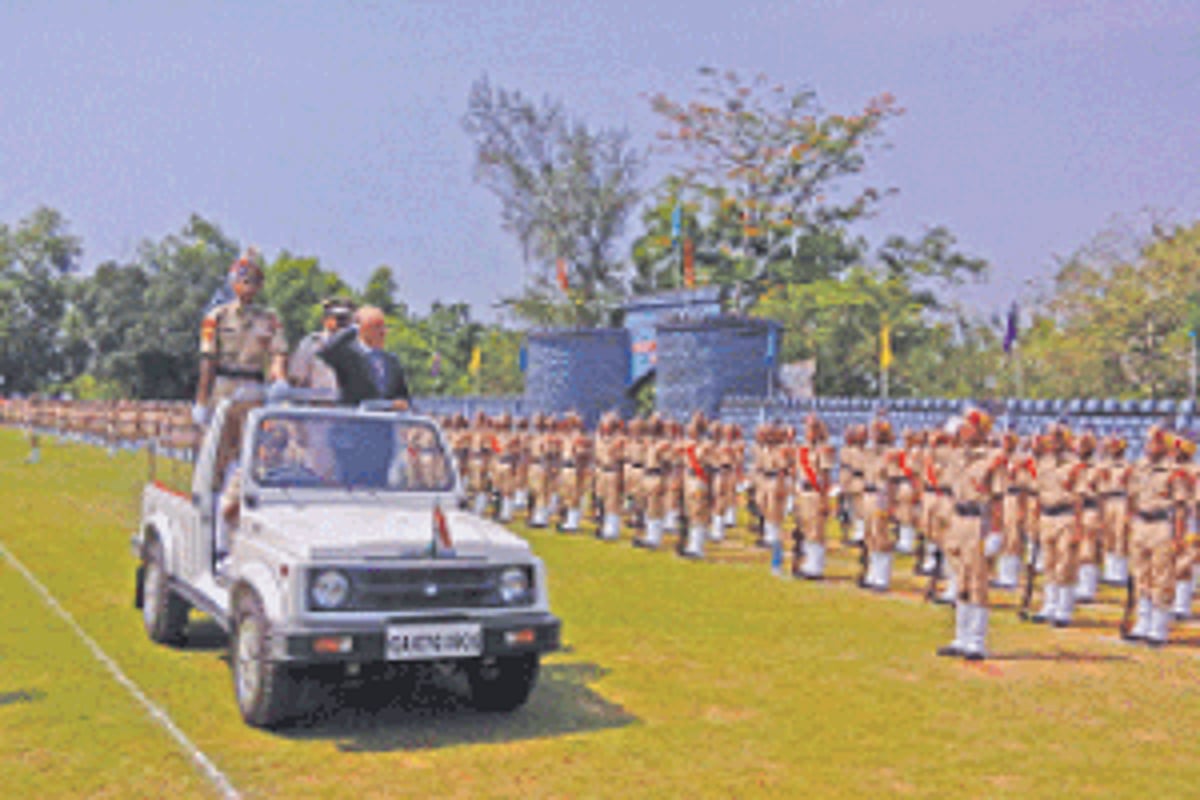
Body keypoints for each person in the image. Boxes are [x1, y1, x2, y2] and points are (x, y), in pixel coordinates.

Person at [194, 248, 288, 425]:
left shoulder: (269, 318)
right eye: (244, 281)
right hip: (224, 387)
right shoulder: (217, 317)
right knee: (222, 444)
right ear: (234, 284)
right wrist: (201, 401)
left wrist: (280, 379)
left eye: (254, 282)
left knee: (255, 442)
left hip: (255, 387)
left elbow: (279, 353)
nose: (249, 287)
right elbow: (208, 361)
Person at [317, 305, 410, 405]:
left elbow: (403, 396)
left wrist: (401, 404)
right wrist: (353, 327)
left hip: (386, 419)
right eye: (377, 326)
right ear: (363, 329)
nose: (384, 332)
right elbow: (326, 351)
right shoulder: (348, 356)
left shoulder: (392, 361)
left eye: (384, 326)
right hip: (354, 418)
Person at [288, 296, 357, 392]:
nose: (342, 322)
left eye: (345, 318)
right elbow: (296, 380)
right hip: (319, 403)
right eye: (338, 318)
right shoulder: (311, 343)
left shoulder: (357, 346)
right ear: (324, 320)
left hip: (348, 404)